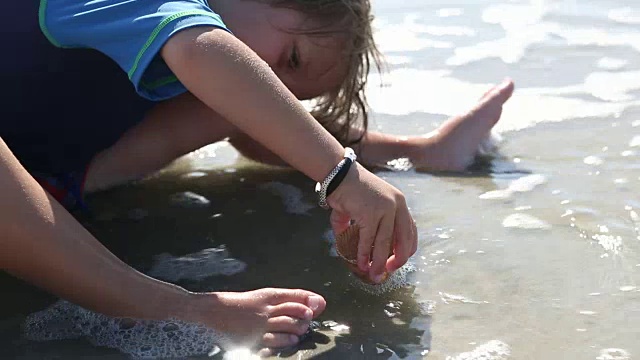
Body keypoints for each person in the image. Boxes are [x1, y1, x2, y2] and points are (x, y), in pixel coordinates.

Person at [0, 0, 514, 354]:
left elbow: (250, 127)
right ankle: (159, 305)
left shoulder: (199, 53)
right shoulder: (172, 21)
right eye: (290, 59)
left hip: (42, 178)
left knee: (236, 103)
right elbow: (202, 48)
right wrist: (341, 174)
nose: (275, 83)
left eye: (292, 88)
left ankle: (428, 154)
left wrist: (410, 155)